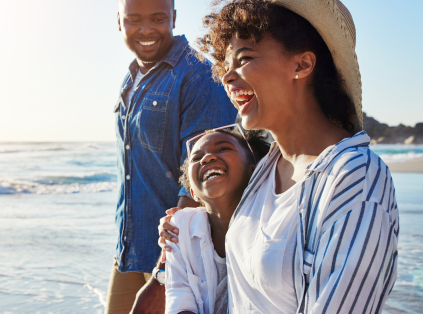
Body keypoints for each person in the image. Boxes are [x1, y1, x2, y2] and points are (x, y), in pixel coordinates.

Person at [158, 0, 399, 313]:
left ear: (301, 65)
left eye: (244, 58)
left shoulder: (355, 178)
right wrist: (185, 228)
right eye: (225, 65)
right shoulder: (266, 168)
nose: (227, 77)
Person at [108, 0, 237, 312]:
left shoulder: (198, 75)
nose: (146, 29)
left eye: (157, 18)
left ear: (174, 18)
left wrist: (165, 270)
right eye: (134, 19)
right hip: (129, 250)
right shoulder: (132, 78)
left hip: (176, 259)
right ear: (119, 22)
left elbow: (205, 180)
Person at [165, 126, 270, 314]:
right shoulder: (180, 227)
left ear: (253, 171)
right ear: (192, 193)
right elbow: (179, 295)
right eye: (196, 158)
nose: (207, 158)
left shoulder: (271, 225)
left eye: (223, 149)